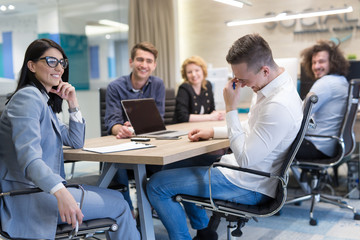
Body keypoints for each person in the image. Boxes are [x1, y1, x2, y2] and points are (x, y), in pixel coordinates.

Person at [146, 33, 303, 240]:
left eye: (244, 80)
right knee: (173, 167)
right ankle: (204, 233)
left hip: (249, 184)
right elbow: (254, 127)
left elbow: (246, 158)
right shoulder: (272, 86)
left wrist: (231, 108)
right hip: (245, 173)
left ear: (265, 70)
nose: (242, 85)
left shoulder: (278, 105)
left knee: (156, 185)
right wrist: (213, 131)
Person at [0, 39, 140, 239]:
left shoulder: (43, 101)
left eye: (62, 62)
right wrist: (60, 192)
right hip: (30, 198)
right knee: (120, 205)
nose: (59, 68)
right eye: (50, 61)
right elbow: (29, 160)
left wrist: (73, 102)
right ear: (31, 66)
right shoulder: (28, 98)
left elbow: (75, 141)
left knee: (118, 198)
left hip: (41, 191)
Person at [104, 41, 165, 217]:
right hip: (123, 144)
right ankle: (128, 212)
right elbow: (112, 122)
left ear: (154, 65)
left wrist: (141, 126)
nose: (144, 65)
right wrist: (120, 129)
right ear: (131, 61)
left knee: (167, 163)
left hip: (150, 142)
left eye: (148, 61)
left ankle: (151, 204)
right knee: (117, 166)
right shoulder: (115, 87)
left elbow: (158, 118)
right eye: (140, 59)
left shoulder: (158, 84)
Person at [296, 40, 349, 160]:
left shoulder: (325, 83)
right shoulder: (342, 81)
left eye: (321, 61)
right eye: (314, 62)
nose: (316, 66)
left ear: (333, 62)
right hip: (330, 146)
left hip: (317, 146)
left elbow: (300, 113)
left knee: (275, 147)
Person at [174, 56, 225, 123]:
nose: (194, 74)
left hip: (201, 126)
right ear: (185, 75)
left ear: (203, 71)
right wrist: (210, 117)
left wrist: (217, 115)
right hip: (182, 128)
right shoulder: (184, 88)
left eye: (197, 70)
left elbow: (212, 110)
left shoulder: (208, 85)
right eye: (189, 72)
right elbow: (182, 117)